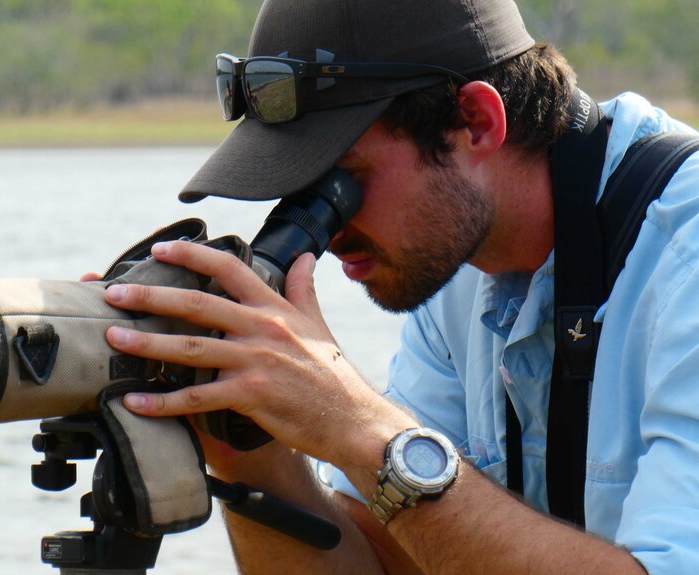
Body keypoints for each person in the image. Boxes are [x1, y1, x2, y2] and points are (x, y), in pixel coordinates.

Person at [100, 0, 699, 573]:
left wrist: (356, 425)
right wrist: (243, 439)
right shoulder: (458, 258)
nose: (328, 236)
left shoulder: (684, 254)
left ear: (476, 121)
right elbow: (386, 563)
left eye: (346, 184)